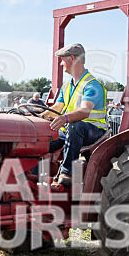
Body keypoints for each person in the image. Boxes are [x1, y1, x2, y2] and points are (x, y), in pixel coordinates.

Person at [44, 43, 108, 187]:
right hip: (69, 131)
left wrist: (65, 118)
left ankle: (67, 172)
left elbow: (85, 111)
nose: (61, 64)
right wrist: (38, 116)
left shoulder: (92, 85)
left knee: (75, 126)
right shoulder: (67, 86)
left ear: (71, 58)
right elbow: (57, 108)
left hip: (93, 131)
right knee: (41, 140)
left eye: (62, 60)